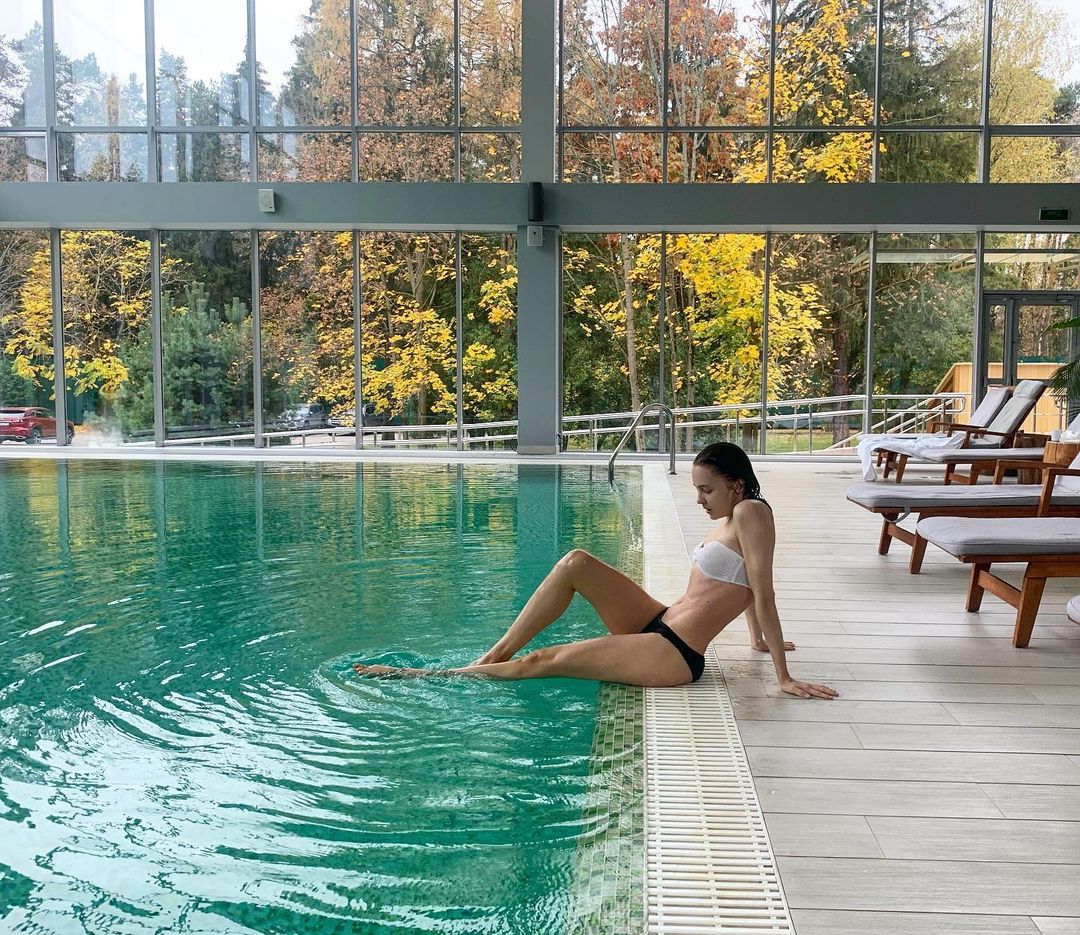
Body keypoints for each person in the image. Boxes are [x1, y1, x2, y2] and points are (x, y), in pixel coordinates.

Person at [354, 442, 838, 699]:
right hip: (658, 622)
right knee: (577, 562)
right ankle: (494, 654)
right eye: (696, 489)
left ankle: (429, 677)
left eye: (706, 490)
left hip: (675, 653)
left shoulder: (752, 512)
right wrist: (755, 640)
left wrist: (783, 675)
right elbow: (745, 582)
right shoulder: (736, 515)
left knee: (543, 661)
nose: (698, 499)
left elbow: (763, 591)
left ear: (736, 485)